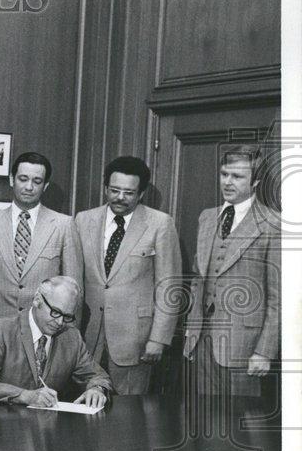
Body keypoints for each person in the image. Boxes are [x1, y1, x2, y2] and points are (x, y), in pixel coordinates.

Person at [74, 156, 181, 394]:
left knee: (128, 417)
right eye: (114, 190)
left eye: (129, 193)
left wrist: (158, 339)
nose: (120, 198)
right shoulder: (83, 220)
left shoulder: (160, 224)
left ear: (141, 193)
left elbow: (169, 287)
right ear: (105, 188)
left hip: (135, 341)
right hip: (87, 337)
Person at [183, 147, 279, 398]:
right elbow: (198, 277)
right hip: (200, 340)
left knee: (239, 424)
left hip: (245, 346)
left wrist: (264, 351)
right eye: (224, 174)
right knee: (202, 419)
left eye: (237, 177)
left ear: (256, 181)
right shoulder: (207, 217)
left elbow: (277, 298)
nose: (227, 182)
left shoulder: (272, 224)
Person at [0, 151, 82, 351]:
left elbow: (74, 290)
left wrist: (69, 338)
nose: (29, 187)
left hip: (44, 333)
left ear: (45, 186)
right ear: (12, 180)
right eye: (23, 179)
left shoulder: (64, 225)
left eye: (37, 181)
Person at [0, 276, 112, 407]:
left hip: (50, 426)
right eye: (55, 312)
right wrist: (25, 396)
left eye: (67, 316)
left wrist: (97, 389)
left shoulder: (71, 336)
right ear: (37, 300)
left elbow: (98, 376)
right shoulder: (1, 330)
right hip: (6, 423)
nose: (60, 322)